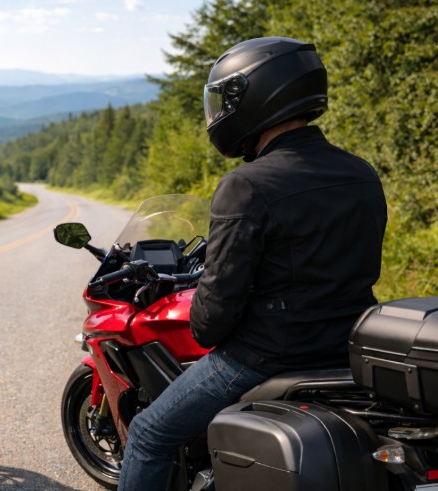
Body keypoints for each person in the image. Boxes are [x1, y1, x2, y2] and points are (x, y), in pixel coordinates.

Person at [118, 37, 387, 489]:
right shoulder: (361, 172)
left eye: (225, 98)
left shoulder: (247, 185)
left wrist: (205, 314)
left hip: (267, 355)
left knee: (148, 434)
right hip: (347, 349)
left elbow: (213, 315)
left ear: (257, 97)